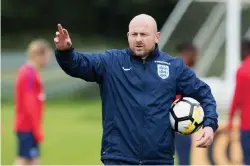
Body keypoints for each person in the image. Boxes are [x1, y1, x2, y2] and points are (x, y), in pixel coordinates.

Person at [54, 14, 219, 165]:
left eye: (144, 34)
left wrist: (210, 124)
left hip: (159, 160)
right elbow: (79, 64)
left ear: (157, 37)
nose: (138, 39)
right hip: (118, 158)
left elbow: (204, 94)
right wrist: (65, 52)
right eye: (134, 34)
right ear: (128, 36)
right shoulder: (112, 62)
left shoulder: (173, 67)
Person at [14, 39, 52, 165]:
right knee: (26, 160)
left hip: (28, 126)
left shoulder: (30, 72)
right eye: (47, 56)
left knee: (30, 160)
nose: (48, 60)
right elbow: (29, 103)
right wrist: (37, 129)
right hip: (27, 126)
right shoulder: (28, 73)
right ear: (38, 55)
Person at [174, 42, 199, 165]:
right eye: (195, 54)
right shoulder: (182, 69)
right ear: (188, 53)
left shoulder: (176, 67)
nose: (196, 58)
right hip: (180, 118)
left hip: (180, 118)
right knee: (184, 158)